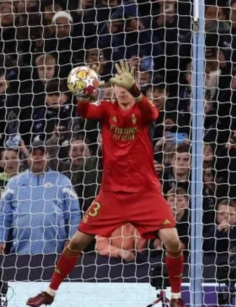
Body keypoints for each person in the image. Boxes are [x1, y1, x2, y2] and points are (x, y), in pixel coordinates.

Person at [26, 61, 185, 307]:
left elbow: (153, 114)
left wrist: (136, 91)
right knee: (77, 242)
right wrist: (81, 95)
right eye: (117, 86)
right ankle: (49, 292)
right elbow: (85, 112)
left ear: (134, 86)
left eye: (126, 85)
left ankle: (176, 297)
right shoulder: (106, 108)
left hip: (145, 193)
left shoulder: (143, 110)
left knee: (173, 242)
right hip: (112, 194)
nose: (120, 90)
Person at [0, 140, 81, 255]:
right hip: (20, 255)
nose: (38, 157)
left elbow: (74, 214)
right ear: (28, 157)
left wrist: (72, 239)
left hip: (57, 254)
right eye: (34, 153)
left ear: (49, 156)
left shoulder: (63, 181)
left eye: (42, 153)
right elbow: (3, 217)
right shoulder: (13, 183)